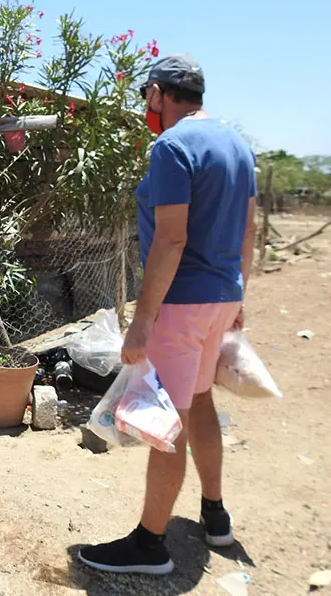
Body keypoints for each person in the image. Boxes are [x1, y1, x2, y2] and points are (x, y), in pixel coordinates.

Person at [78, 54, 258, 575]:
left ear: (159, 93)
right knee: (198, 402)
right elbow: (248, 230)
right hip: (221, 296)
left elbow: (173, 237)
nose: (145, 108)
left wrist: (142, 319)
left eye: (146, 98)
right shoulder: (237, 147)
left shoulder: (172, 146)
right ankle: (215, 516)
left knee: (166, 420)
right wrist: (238, 295)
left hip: (181, 304)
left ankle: (150, 544)